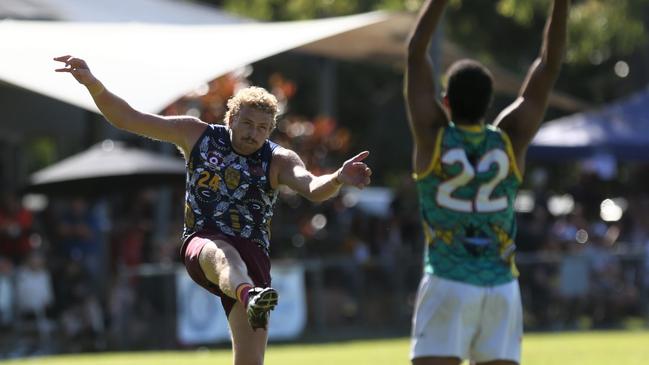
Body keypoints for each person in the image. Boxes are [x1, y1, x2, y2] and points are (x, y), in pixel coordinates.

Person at [54, 56, 372, 365]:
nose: (253, 133)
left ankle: (250, 295)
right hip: (203, 240)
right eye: (246, 123)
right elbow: (129, 118)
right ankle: (249, 295)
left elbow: (313, 188)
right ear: (230, 118)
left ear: (270, 129)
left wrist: (338, 178)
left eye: (262, 128)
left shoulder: (278, 159)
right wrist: (93, 84)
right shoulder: (196, 134)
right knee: (222, 253)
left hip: (254, 253)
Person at [404, 1, 568, 364]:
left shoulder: (433, 136)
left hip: (448, 280)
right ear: (491, 102)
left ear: (445, 101)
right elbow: (548, 65)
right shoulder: (510, 139)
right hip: (501, 288)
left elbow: (416, 54)